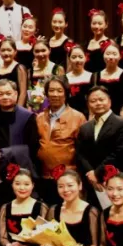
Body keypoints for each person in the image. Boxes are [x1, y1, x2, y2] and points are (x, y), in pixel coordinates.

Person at [33, 170, 101, 246]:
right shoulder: (54, 210)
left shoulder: (91, 212)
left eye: (70, 185)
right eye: (61, 186)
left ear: (80, 186)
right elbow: (48, 238)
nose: (65, 190)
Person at [77, 86, 123, 207]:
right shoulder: (85, 127)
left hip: (115, 180)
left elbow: (119, 153)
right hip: (91, 183)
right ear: (88, 104)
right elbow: (80, 153)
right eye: (93, 101)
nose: (98, 103)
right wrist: (90, 173)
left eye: (101, 99)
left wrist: (97, 173)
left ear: (109, 101)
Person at [0, 79, 40, 201]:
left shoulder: (27, 116)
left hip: (22, 166)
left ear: (16, 94)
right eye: (0, 94)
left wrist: (11, 154)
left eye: (8, 93)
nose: (5, 97)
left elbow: (33, 147)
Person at [35, 75, 85, 204]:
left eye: (59, 90)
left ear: (66, 93)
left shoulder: (78, 117)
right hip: (44, 177)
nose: (55, 94)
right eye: (51, 90)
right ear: (46, 94)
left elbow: (83, 152)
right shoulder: (39, 118)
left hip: (68, 178)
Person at [93, 42, 123, 119]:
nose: (111, 57)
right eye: (108, 54)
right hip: (101, 113)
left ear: (120, 56)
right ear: (103, 55)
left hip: (120, 114)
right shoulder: (96, 75)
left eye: (114, 54)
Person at [0, 38, 29, 112]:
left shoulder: (19, 68)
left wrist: (18, 113)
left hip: (14, 109)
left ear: (15, 51)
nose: (6, 53)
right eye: (3, 50)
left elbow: (23, 93)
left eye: (9, 50)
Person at [65, 43, 93, 117]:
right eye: (74, 57)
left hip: (88, 116)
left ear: (85, 58)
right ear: (69, 59)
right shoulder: (64, 78)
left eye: (80, 57)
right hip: (69, 116)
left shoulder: (92, 77)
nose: (77, 60)